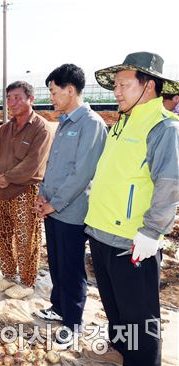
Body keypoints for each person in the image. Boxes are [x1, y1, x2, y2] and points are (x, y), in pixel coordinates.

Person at [83, 52, 179, 365]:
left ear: (149, 86)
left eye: (124, 84)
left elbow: (169, 183)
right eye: (116, 86)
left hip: (132, 242)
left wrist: (152, 232)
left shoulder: (164, 127)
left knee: (140, 319)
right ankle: (121, 352)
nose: (117, 91)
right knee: (115, 308)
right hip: (102, 232)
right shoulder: (123, 122)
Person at [32, 64, 108, 349]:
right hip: (52, 206)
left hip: (72, 211)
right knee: (57, 262)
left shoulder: (91, 124)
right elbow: (52, 166)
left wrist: (54, 203)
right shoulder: (64, 122)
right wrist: (42, 196)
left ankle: (73, 323)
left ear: (70, 90)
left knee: (73, 266)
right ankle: (58, 306)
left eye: (54, 91)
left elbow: (82, 172)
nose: (51, 96)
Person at [0, 81, 52, 299]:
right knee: (3, 234)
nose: (12, 102)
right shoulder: (5, 129)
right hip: (2, 191)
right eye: (9, 98)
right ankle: (8, 275)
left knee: (27, 238)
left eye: (17, 97)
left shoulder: (41, 128)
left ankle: (27, 281)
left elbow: (33, 163)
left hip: (26, 191)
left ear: (30, 99)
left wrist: (7, 177)